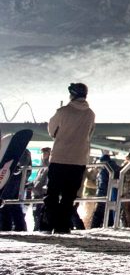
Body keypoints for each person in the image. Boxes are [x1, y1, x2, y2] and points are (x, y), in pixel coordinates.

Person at [45, 82, 96, 234]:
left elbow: (51, 130)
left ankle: (50, 225)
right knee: (69, 195)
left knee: (52, 193)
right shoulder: (90, 114)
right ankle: (63, 226)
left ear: (72, 94)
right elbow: (89, 134)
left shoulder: (62, 111)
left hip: (59, 158)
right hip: (79, 160)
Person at [0, 146, 30, 231]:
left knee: (10, 204)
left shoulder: (21, 151)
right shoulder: (23, 152)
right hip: (11, 181)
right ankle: (10, 227)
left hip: (12, 181)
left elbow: (24, 169)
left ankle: (16, 227)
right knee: (8, 205)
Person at [90, 149, 121, 228]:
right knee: (109, 213)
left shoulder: (105, 168)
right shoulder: (114, 167)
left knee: (98, 214)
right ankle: (108, 226)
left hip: (104, 193)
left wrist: (100, 193)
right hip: (112, 194)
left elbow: (103, 183)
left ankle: (94, 228)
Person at [31, 147, 51, 232]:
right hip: (36, 192)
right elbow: (38, 179)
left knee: (39, 212)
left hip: (42, 193)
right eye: (43, 153)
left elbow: (46, 179)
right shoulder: (42, 166)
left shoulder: (49, 166)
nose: (43, 155)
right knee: (35, 212)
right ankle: (36, 227)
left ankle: (38, 228)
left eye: (46, 153)